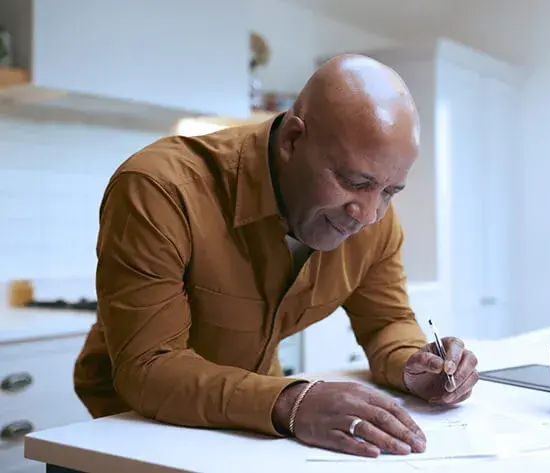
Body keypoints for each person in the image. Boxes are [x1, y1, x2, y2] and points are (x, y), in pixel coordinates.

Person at [72, 54, 479, 458]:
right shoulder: (162, 189)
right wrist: (294, 402)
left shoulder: (375, 223)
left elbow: (386, 322)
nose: (369, 214)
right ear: (292, 140)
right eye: (354, 181)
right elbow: (149, 368)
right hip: (131, 430)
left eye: (390, 192)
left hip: (252, 425)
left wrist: (415, 366)